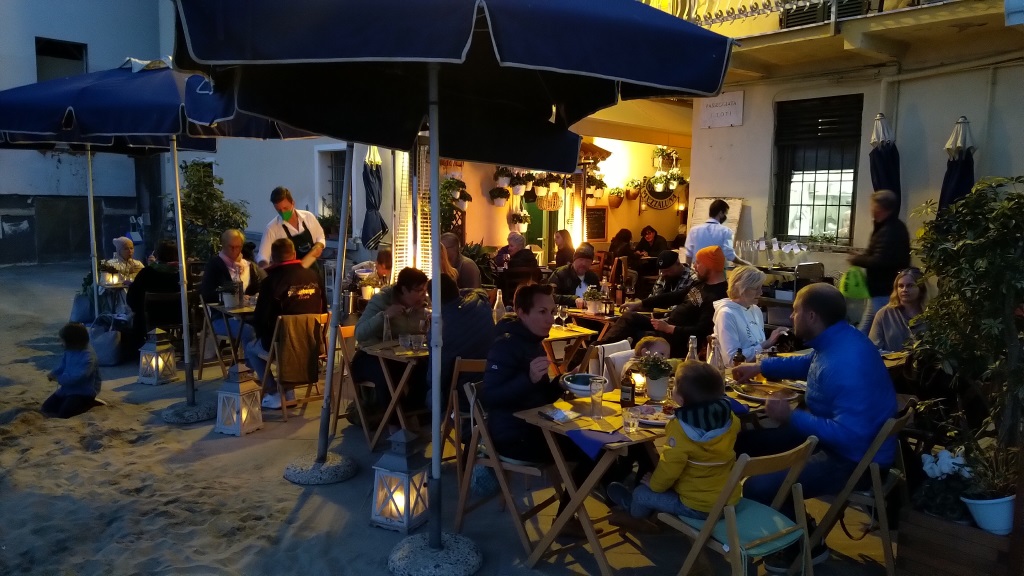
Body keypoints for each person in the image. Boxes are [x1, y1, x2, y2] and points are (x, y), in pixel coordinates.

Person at [731, 283, 897, 571]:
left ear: (811, 316)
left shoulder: (846, 363)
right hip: (837, 440)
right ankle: (722, 510)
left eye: (795, 311)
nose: (791, 316)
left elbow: (848, 436)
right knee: (742, 443)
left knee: (759, 486)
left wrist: (791, 416)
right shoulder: (840, 339)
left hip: (854, 460)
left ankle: (804, 544)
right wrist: (760, 368)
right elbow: (809, 362)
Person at [480, 284, 600, 538]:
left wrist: (562, 382)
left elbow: (541, 397)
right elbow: (490, 398)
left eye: (553, 311)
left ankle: (590, 509)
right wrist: (528, 379)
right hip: (513, 436)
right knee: (596, 450)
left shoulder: (533, 342)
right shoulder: (506, 345)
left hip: (537, 425)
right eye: (542, 312)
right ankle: (567, 519)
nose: (550, 318)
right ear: (522, 312)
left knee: (599, 440)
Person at [606, 361, 740, 529]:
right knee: (665, 479)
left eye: (674, 384)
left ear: (681, 399)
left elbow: (670, 466)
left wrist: (654, 484)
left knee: (642, 493)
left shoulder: (681, 429)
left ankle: (633, 513)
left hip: (698, 507)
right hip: (729, 499)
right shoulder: (731, 419)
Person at [245, 238, 327, 410]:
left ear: (273, 258)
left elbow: (261, 319)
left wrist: (252, 324)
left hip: (283, 345)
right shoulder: (314, 276)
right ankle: (288, 392)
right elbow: (323, 309)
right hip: (313, 344)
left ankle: (274, 392)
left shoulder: (270, 282)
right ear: (294, 254)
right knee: (285, 335)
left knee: (251, 348)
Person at [603, 246, 728, 357]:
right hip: (665, 326)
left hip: (676, 339)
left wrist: (670, 328)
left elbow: (702, 331)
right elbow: (674, 296)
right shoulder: (701, 283)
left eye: (698, 263)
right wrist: (640, 303)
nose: (694, 266)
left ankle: (600, 354)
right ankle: (598, 349)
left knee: (633, 334)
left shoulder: (718, 296)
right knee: (630, 317)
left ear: (709, 266)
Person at [352, 267, 430, 409]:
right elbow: (360, 333)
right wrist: (385, 315)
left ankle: (413, 413)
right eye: (419, 290)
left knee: (427, 369)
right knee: (389, 374)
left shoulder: (423, 305)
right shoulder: (382, 300)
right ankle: (392, 418)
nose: (423, 295)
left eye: (425, 290)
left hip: (403, 357)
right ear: (404, 289)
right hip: (370, 357)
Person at [849, 189, 911, 336]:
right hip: (881, 289)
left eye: (872, 205)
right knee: (868, 327)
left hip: (884, 289)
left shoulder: (889, 230)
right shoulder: (888, 227)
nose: (870, 209)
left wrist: (857, 259)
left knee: (878, 330)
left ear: (880, 207)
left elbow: (880, 260)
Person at [433, 274, 494, 410]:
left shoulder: (440, 328)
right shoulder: (482, 302)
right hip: (489, 384)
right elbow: (478, 291)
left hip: (463, 395)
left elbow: (437, 372)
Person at [200, 229, 264, 344]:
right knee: (249, 332)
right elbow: (207, 294)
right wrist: (231, 294)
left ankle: (258, 354)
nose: (235, 250)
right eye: (231, 247)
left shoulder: (250, 267)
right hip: (223, 317)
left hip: (249, 316)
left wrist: (253, 297)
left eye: (238, 247)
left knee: (269, 327)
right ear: (223, 245)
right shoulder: (214, 266)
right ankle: (252, 355)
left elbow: (261, 288)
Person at [712, 265, 788, 362]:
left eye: (761, 288)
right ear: (741, 288)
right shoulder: (726, 314)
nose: (760, 293)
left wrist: (776, 345)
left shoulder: (755, 310)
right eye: (756, 288)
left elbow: (758, 346)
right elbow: (732, 359)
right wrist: (767, 343)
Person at [126, 239, 181, 350]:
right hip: (178, 316)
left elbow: (131, 299)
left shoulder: (147, 273)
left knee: (137, 315)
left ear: (158, 254)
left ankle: (141, 351)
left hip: (151, 317)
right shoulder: (182, 274)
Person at [255, 186, 326, 272]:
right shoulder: (272, 228)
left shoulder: (308, 217)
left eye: (286, 208)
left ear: (293, 203)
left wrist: (318, 246)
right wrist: (266, 268)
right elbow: (262, 257)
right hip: (289, 276)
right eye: (279, 210)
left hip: (313, 273)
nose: (283, 212)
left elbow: (320, 236)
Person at [42, 322, 102, 419]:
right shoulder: (69, 350)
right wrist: (53, 373)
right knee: (47, 408)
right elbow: (63, 366)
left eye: (63, 340)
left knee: (65, 413)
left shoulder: (88, 356)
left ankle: (90, 403)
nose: (61, 343)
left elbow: (79, 377)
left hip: (83, 392)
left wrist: (59, 379)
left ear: (72, 341)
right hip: (67, 389)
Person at [869, 267, 927, 351]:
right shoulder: (884, 314)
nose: (904, 290)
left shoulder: (930, 314)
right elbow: (873, 348)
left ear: (921, 289)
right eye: (901, 286)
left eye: (910, 286)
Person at [621, 250, 694, 313]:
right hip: (658, 317)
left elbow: (680, 310)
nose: (664, 274)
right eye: (661, 271)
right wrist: (640, 306)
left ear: (678, 263)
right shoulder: (663, 276)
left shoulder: (692, 279)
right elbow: (653, 299)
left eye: (667, 270)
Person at [684, 199, 746, 265]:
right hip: (717, 270)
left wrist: (687, 270)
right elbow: (729, 255)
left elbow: (688, 255)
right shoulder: (726, 231)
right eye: (725, 214)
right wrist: (745, 264)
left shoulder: (693, 230)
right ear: (720, 213)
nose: (726, 217)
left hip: (698, 269)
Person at [546, 242, 599, 308]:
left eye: (587, 261)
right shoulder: (560, 274)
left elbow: (598, 297)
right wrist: (574, 299)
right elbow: (550, 296)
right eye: (581, 260)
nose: (583, 264)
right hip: (565, 312)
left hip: (589, 313)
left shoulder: (593, 278)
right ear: (574, 260)